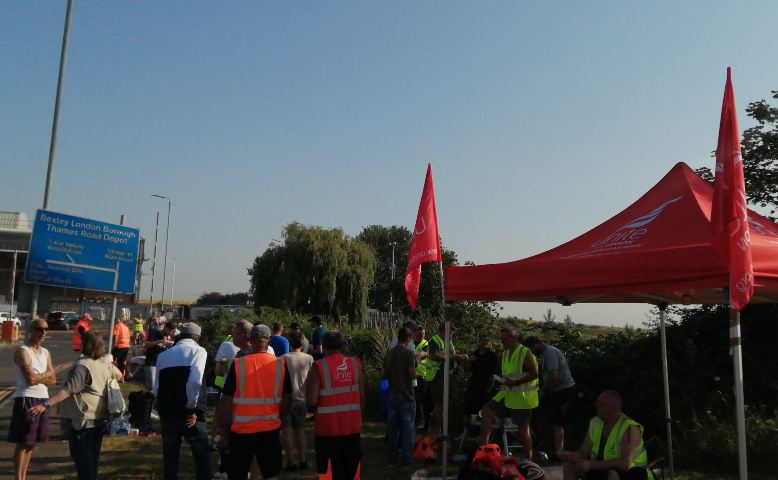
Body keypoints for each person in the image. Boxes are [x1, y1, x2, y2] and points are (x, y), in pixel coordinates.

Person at [29, 331, 121, 480]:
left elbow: (68, 390)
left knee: (82, 459)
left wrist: (45, 405)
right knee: (92, 457)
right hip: (99, 416)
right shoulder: (103, 364)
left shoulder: (82, 366)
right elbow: (119, 375)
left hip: (82, 419)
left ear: (86, 344)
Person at [212, 324, 292, 480]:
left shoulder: (239, 364)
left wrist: (218, 424)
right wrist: (280, 416)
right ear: (268, 342)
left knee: (238, 473)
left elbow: (226, 399)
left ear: (252, 340)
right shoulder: (280, 365)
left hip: (242, 430)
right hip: (270, 428)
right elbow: (288, 397)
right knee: (270, 473)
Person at [154, 322, 211, 480]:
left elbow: (157, 386)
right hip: (189, 413)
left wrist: (159, 407)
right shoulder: (198, 351)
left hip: (168, 411)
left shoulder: (164, 355)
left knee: (170, 458)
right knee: (201, 457)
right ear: (197, 337)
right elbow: (194, 381)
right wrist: (191, 408)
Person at [307, 330, 365, 480]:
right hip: (352, 426)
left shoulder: (319, 366)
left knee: (330, 472)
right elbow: (362, 397)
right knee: (351, 470)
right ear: (342, 345)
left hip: (327, 430)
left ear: (324, 346)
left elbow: (312, 401)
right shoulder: (354, 363)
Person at [559, 391, 650, 480]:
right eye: (597, 402)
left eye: (602, 404)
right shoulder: (595, 422)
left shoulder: (629, 428)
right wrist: (571, 455)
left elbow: (625, 463)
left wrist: (591, 465)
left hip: (633, 472)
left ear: (614, 408)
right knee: (568, 466)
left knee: (613, 473)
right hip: (603, 468)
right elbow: (584, 451)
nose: (596, 405)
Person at [479, 328, 539, 460]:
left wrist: (516, 382)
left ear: (513, 338)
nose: (501, 342)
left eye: (503, 339)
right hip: (507, 394)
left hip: (523, 398)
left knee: (523, 430)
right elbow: (507, 373)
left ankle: (529, 461)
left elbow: (534, 374)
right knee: (486, 411)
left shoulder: (525, 352)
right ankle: (485, 452)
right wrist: (498, 379)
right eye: (500, 339)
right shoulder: (505, 354)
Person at [8, 318, 56, 480]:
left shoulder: (46, 352)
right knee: (23, 442)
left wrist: (39, 376)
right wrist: (45, 376)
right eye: (39, 329)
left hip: (43, 399)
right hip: (26, 398)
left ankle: (23, 476)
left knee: (31, 443)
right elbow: (30, 379)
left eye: (46, 329)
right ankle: (18, 478)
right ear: (31, 330)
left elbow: (54, 379)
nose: (43, 333)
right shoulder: (23, 351)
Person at [525, 336, 577, 456]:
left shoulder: (550, 353)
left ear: (535, 344)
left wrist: (544, 390)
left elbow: (553, 375)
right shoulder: (546, 354)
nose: (533, 353)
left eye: (532, 349)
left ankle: (559, 453)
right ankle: (550, 447)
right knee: (551, 420)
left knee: (557, 421)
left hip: (563, 390)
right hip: (557, 390)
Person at [423, 322, 469, 437]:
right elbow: (435, 356)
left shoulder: (447, 341)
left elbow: (450, 356)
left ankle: (439, 431)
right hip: (437, 377)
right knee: (439, 405)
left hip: (446, 377)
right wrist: (457, 357)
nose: (452, 336)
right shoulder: (435, 340)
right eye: (451, 333)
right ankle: (435, 433)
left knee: (442, 406)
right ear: (444, 331)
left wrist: (461, 358)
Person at [383, 327, 417, 466]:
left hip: (393, 394)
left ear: (398, 337)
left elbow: (383, 375)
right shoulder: (409, 354)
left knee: (392, 428)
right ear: (408, 339)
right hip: (407, 395)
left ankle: (392, 457)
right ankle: (406, 458)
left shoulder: (389, 353)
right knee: (407, 427)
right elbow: (412, 375)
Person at [281, 331, 314, 471]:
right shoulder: (309, 358)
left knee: (287, 431)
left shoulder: (283, 358)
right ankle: (303, 459)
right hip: (302, 398)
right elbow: (312, 379)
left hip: (286, 398)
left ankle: (291, 461)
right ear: (302, 343)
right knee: (300, 431)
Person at [463, 335, 499, 428]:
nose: (485, 343)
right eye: (483, 341)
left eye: (487, 341)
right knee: (467, 408)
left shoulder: (492, 356)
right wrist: (470, 361)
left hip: (486, 385)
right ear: (479, 342)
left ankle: (482, 433)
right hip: (474, 384)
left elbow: (494, 374)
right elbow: (469, 370)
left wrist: (489, 387)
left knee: (483, 409)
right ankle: (466, 431)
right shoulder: (475, 353)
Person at [144, 320, 175, 392]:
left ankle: (154, 402)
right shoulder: (154, 332)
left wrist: (169, 346)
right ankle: (147, 402)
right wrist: (160, 341)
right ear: (166, 328)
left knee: (158, 388)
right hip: (151, 363)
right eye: (170, 331)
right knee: (151, 387)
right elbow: (147, 345)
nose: (170, 333)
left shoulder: (167, 337)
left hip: (161, 365)